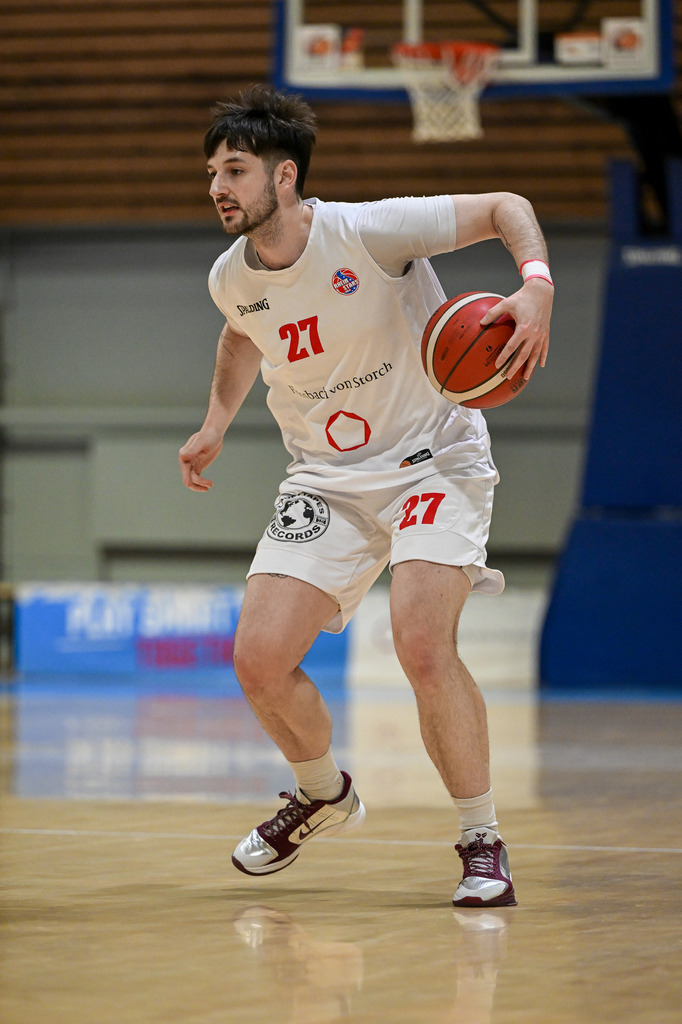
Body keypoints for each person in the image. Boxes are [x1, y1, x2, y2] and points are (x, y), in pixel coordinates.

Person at [179, 83, 553, 907]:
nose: (217, 187)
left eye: (234, 170)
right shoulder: (229, 276)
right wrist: (214, 423)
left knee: (421, 643)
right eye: (211, 172)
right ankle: (323, 795)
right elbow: (242, 333)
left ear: (284, 177)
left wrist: (536, 285)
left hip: (433, 460)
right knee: (258, 661)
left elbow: (507, 205)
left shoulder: (369, 231)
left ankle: (481, 838)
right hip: (327, 478)